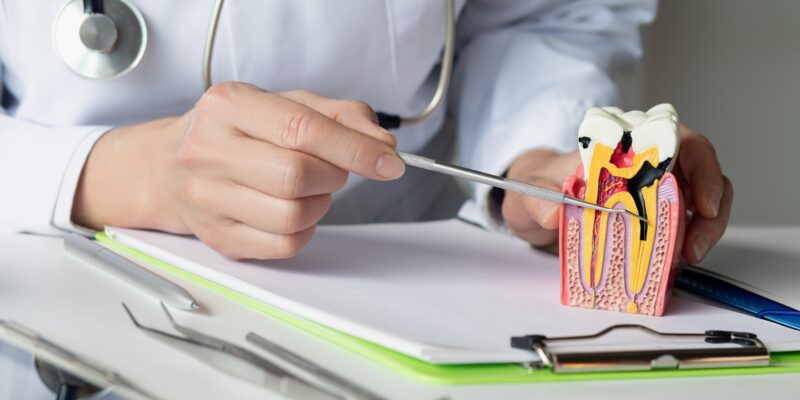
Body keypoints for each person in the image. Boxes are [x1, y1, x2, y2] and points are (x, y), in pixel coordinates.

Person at [0, 0, 730, 265]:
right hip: (47, 275)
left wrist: (535, 152)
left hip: (389, 278)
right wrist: (132, 176)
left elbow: (537, 17)